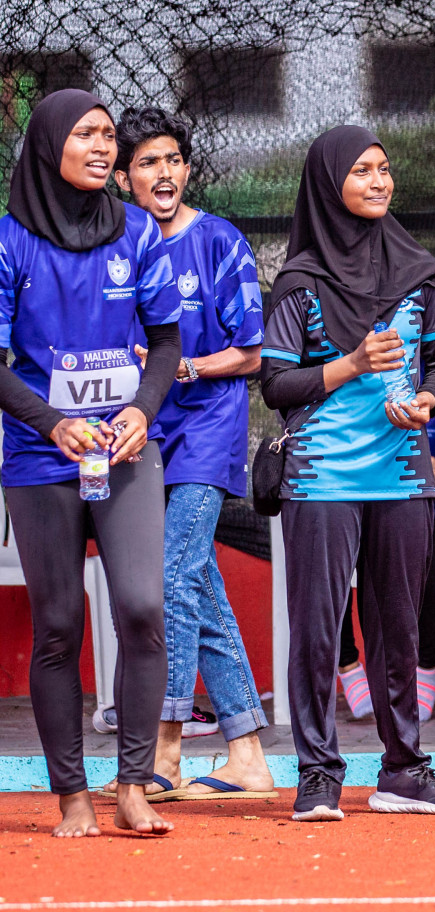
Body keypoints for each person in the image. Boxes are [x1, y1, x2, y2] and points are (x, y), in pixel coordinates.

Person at [261, 125, 435, 821]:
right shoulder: (301, 281)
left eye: (384, 170)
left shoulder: (420, 273)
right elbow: (276, 384)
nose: (379, 182)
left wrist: (430, 400)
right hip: (321, 478)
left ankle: (404, 769)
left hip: (403, 475)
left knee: (399, 631)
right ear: (328, 185)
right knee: (318, 631)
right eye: (362, 172)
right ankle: (318, 774)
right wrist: (351, 364)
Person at [0, 90, 183, 836]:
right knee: (58, 624)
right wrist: (53, 422)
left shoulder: (139, 231)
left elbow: (167, 343)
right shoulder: (10, 242)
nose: (103, 147)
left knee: (143, 608)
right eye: (85, 135)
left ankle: (132, 783)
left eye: (108, 135)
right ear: (49, 146)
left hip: (126, 449)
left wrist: (141, 408)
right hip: (41, 456)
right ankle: (72, 794)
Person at [87, 107, 277, 803]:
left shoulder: (221, 241)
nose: (162, 173)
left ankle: (160, 755)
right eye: (147, 163)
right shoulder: (117, 242)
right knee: (199, 584)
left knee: (170, 579)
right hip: (141, 435)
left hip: (205, 432)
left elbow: (252, 354)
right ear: (124, 177)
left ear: (187, 169)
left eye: (172, 160)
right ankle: (248, 754)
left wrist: (183, 368)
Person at [337, 382, 435, 723]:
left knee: (433, 559)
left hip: (421, 510)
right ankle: (347, 664)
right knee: (329, 560)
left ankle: (426, 664)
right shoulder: (341, 372)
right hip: (349, 506)